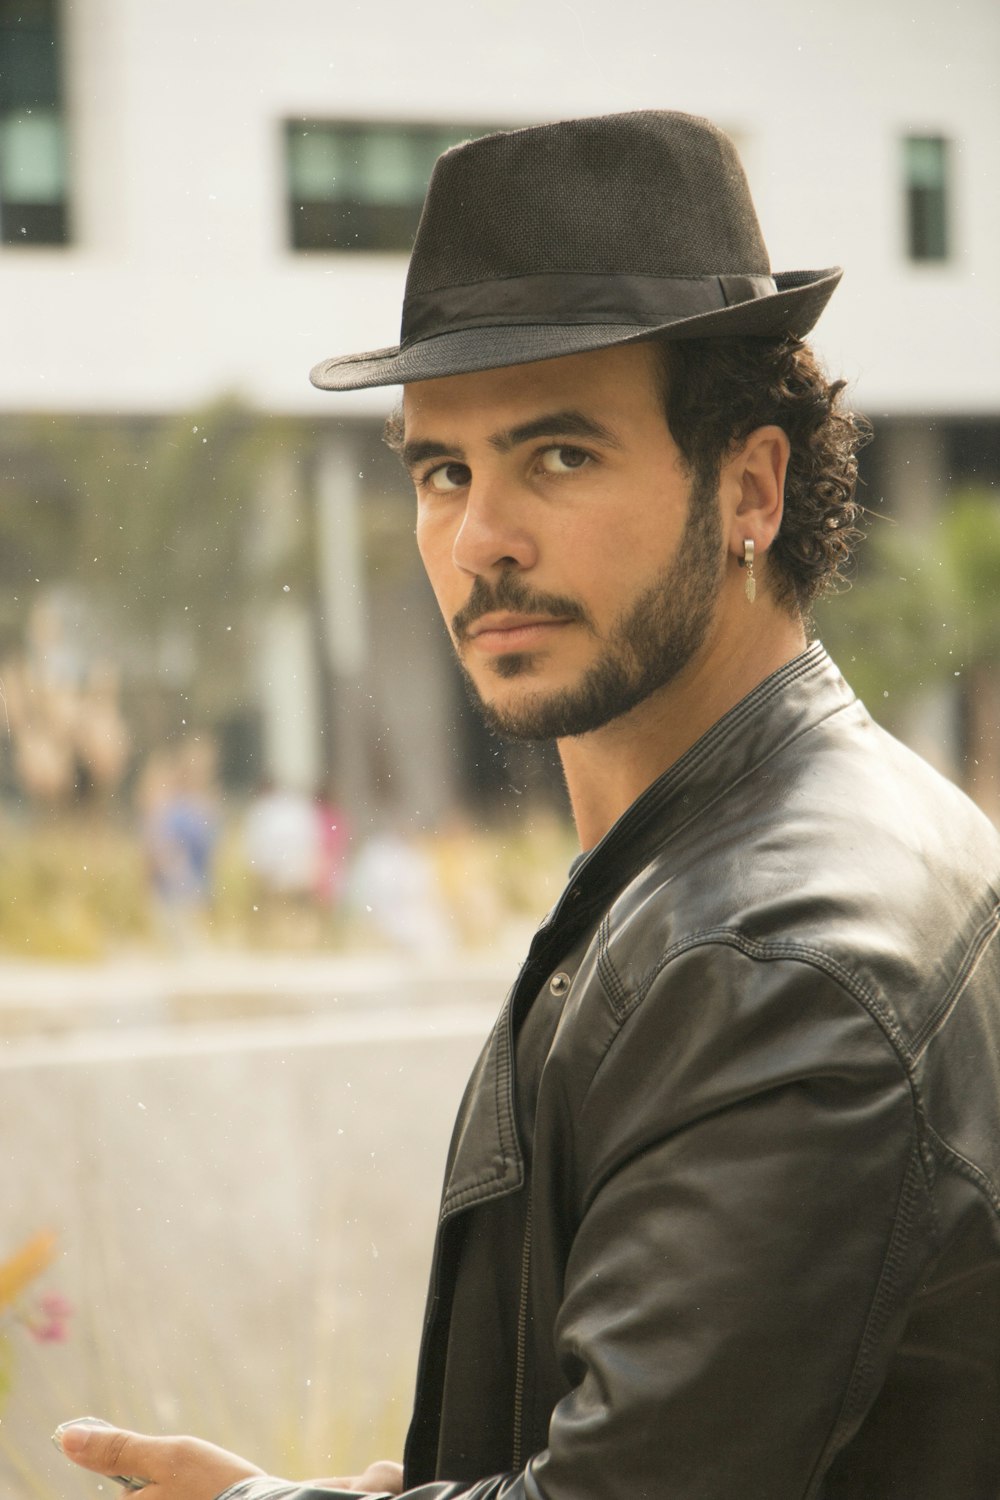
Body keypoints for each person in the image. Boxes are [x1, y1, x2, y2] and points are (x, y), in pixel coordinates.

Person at [57, 111, 1000, 1499]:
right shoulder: (788, 838)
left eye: (558, 456)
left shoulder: (775, 958)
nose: (478, 539)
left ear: (750, 485)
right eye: (445, 470)